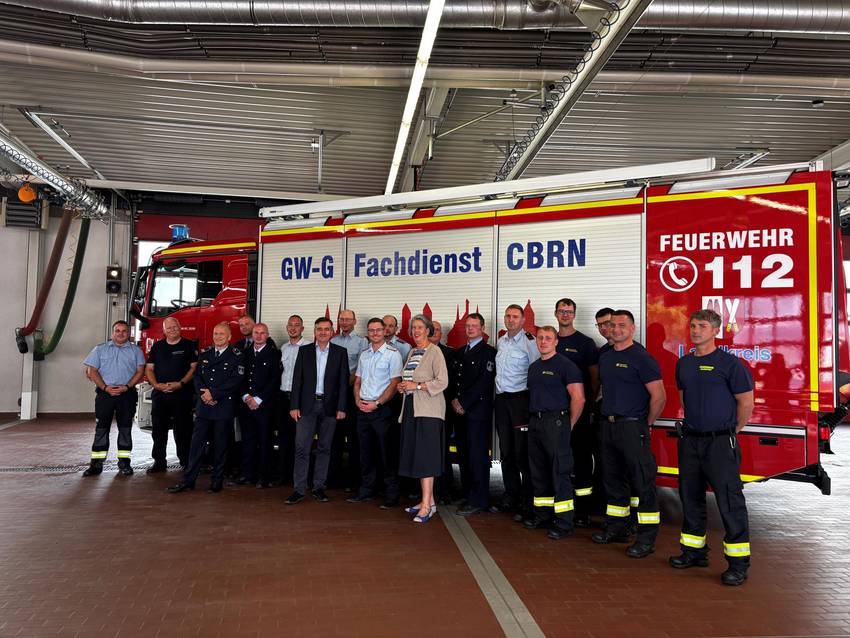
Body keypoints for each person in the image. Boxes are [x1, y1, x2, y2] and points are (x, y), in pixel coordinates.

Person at [670, 309, 754, 586]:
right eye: (693, 326)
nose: (695, 331)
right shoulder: (683, 364)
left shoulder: (730, 364)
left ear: (716, 330)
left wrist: (731, 431)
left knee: (729, 502)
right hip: (691, 440)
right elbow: (684, 397)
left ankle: (738, 565)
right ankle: (693, 552)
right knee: (690, 497)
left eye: (702, 326)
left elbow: (746, 404)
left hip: (720, 442)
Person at [592, 310, 666, 559]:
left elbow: (659, 396)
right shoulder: (606, 357)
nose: (616, 329)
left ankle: (646, 539)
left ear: (633, 328)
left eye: (622, 325)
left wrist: (646, 424)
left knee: (642, 483)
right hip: (608, 426)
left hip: (633, 427)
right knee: (612, 481)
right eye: (613, 325)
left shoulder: (642, 357)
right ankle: (617, 528)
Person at [523, 326, 585, 540]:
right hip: (536, 423)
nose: (543, 341)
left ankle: (564, 522)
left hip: (556, 423)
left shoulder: (566, 366)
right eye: (540, 338)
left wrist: (569, 424)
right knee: (538, 471)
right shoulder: (533, 367)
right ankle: (543, 516)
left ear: (556, 341)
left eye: (548, 338)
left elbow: (579, 398)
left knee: (559, 472)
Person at [168, 323, 245, 494]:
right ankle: (189, 481)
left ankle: (217, 481)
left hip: (223, 407)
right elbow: (197, 377)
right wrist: (204, 394)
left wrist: (214, 394)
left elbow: (235, 381)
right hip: (204, 407)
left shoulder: (236, 356)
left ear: (229, 337)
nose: (218, 336)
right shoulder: (206, 353)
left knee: (220, 446)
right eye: (215, 333)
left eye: (221, 334)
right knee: (196, 445)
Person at [286, 317, 349, 504]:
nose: (323, 332)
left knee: (324, 449)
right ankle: (298, 490)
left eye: (326, 329)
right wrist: (294, 406)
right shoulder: (304, 351)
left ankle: (319, 488)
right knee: (301, 448)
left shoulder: (340, 353)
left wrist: (342, 407)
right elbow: (297, 380)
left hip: (329, 407)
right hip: (306, 406)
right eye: (319, 329)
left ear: (332, 332)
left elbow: (343, 383)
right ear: (314, 332)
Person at [398, 314, 449, 523]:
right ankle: (428, 500)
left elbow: (442, 381)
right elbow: (408, 380)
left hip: (429, 411)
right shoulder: (413, 352)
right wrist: (405, 386)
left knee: (426, 457)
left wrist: (416, 386)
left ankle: (426, 505)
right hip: (412, 408)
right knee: (418, 455)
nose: (417, 331)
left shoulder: (434, 352)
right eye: (414, 327)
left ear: (428, 330)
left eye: (420, 327)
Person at [347, 317, 403, 507]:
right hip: (362, 409)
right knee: (365, 453)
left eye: (378, 330)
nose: (375, 333)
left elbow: (395, 384)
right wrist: (357, 400)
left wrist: (377, 404)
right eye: (371, 331)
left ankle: (391, 495)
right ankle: (366, 491)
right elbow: (357, 381)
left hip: (382, 411)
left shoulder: (392, 354)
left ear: (384, 332)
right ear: (368, 333)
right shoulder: (364, 354)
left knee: (387, 453)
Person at [555, 298, 600, 527]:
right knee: (558, 461)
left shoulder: (585, 343)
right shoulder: (549, 340)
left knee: (581, 461)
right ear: (555, 314)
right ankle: (561, 506)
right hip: (554, 415)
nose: (565, 315)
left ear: (574, 315)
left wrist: (587, 407)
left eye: (569, 311)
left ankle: (583, 511)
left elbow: (594, 378)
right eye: (561, 311)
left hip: (578, 413)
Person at [493, 304, 539, 522]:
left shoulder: (530, 342)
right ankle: (510, 495)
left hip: (521, 401)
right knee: (506, 452)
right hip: (502, 401)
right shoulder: (501, 341)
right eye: (508, 316)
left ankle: (527, 501)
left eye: (515, 317)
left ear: (522, 320)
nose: (510, 320)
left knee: (522, 453)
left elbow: (536, 372)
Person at [82, 320, 146, 476]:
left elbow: (140, 372)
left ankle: (124, 463)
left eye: (124, 331)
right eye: (118, 330)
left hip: (127, 395)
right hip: (105, 395)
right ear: (113, 333)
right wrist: (105, 387)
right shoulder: (100, 350)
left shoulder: (136, 351)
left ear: (128, 333)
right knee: (101, 429)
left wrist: (127, 387)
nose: (121, 333)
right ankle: (96, 464)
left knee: (125, 429)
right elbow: (92, 371)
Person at [452, 312, 497, 516]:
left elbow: (484, 382)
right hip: (460, 412)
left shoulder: (488, 352)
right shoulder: (460, 352)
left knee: (477, 456)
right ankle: (469, 493)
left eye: (474, 325)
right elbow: (454, 380)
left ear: (482, 328)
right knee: (463, 454)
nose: (470, 329)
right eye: (467, 325)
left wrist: (464, 402)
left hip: (477, 411)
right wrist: (454, 399)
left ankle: (479, 499)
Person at [145, 317, 198, 473]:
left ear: (180, 327)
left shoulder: (189, 346)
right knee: (158, 431)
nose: (172, 330)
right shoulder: (157, 347)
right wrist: (155, 385)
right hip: (160, 394)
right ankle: (159, 462)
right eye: (169, 328)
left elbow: (193, 368)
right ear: (164, 330)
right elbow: (149, 369)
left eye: (175, 327)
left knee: (183, 430)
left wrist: (180, 384)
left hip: (182, 394)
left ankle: (186, 461)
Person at [236, 322, 281, 488]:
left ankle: (264, 477)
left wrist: (259, 399)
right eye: (256, 332)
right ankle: (247, 474)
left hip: (264, 407)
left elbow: (274, 380)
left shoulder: (274, 354)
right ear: (252, 335)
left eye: (262, 333)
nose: (259, 336)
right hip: (246, 405)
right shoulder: (244, 353)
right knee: (247, 441)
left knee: (265, 442)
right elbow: (238, 377)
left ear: (267, 335)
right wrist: (247, 397)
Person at [330, 308, 368, 490]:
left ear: (354, 322)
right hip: (334, 397)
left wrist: (343, 383)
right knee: (333, 438)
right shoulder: (332, 340)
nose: (344, 322)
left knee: (354, 440)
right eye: (341, 319)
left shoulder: (362, 342)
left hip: (351, 395)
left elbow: (360, 370)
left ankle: (353, 481)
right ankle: (333, 478)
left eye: (347, 319)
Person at [275, 314, 305, 485]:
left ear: (302, 328)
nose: (293, 328)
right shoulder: (283, 348)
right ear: (287, 328)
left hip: (299, 399)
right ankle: (283, 475)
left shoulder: (309, 347)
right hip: (283, 398)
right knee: (284, 438)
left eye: (297, 325)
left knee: (299, 440)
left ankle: (298, 477)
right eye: (290, 325)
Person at [431, 320, 459, 504]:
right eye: (431, 329)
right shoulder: (416, 352)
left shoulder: (449, 353)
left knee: (442, 450)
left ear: (442, 334)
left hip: (444, 409)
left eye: (437, 329)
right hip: (422, 409)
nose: (434, 332)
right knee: (425, 451)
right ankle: (425, 491)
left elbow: (453, 382)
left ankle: (444, 490)